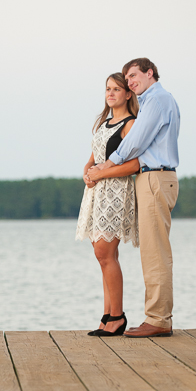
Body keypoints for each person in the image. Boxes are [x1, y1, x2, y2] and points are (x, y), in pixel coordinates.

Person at [88, 58, 180, 337]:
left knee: (155, 253)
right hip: (151, 178)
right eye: (126, 78)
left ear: (149, 73)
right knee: (151, 251)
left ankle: (159, 320)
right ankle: (154, 317)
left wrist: (107, 164)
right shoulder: (155, 100)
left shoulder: (157, 100)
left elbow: (137, 139)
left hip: (155, 176)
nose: (129, 82)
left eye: (133, 76)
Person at [76, 73, 140, 336]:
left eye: (117, 89)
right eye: (108, 89)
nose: (111, 93)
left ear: (128, 94)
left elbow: (135, 165)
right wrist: (87, 173)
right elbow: (93, 159)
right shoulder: (104, 122)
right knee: (103, 257)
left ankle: (118, 316)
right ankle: (107, 315)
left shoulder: (131, 124)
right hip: (95, 194)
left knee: (105, 253)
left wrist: (101, 174)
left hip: (115, 193)